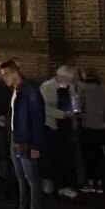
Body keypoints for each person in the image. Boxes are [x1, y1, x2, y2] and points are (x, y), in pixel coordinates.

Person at [0, 59, 44, 209]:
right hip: (16, 139)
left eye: (5, 75)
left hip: (26, 142)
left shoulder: (30, 92)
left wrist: (35, 145)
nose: (4, 79)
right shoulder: (15, 91)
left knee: (32, 179)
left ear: (14, 73)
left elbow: (37, 120)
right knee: (21, 177)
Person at [39, 65, 84, 198]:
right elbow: (44, 108)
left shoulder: (71, 87)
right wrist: (62, 114)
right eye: (69, 79)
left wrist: (75, 113)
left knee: (66, 156)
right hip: (51, 126)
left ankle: (64, 185)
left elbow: (75, 102)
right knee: (50, 155)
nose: (71, 82)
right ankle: (48, 181)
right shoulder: (47, 87)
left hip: (66, 127)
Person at [78, 68, 105, 194]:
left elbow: (78, 108)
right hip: (101, 128)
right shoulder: (104, 89)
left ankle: (90, 183)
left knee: (88, 156)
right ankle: (100, 183)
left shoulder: (82, 89)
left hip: (87, 128)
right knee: (100, 156)